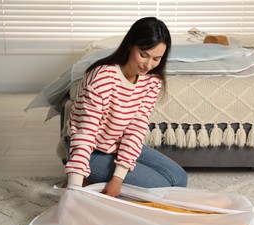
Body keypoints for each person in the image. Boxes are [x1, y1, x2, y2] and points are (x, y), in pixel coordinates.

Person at [65, 17, 188, 197]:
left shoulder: (152, 81)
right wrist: (73, 187)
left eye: (156, 59)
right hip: (91, 150)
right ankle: (84, 178)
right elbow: (85, 133)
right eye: (143, 55)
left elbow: (136, 128)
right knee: (161, 186)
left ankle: (96, 181)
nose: (148, 64)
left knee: (178, 179)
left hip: (117, 144)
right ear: (131, 45)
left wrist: (118, 177)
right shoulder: (102, 77)